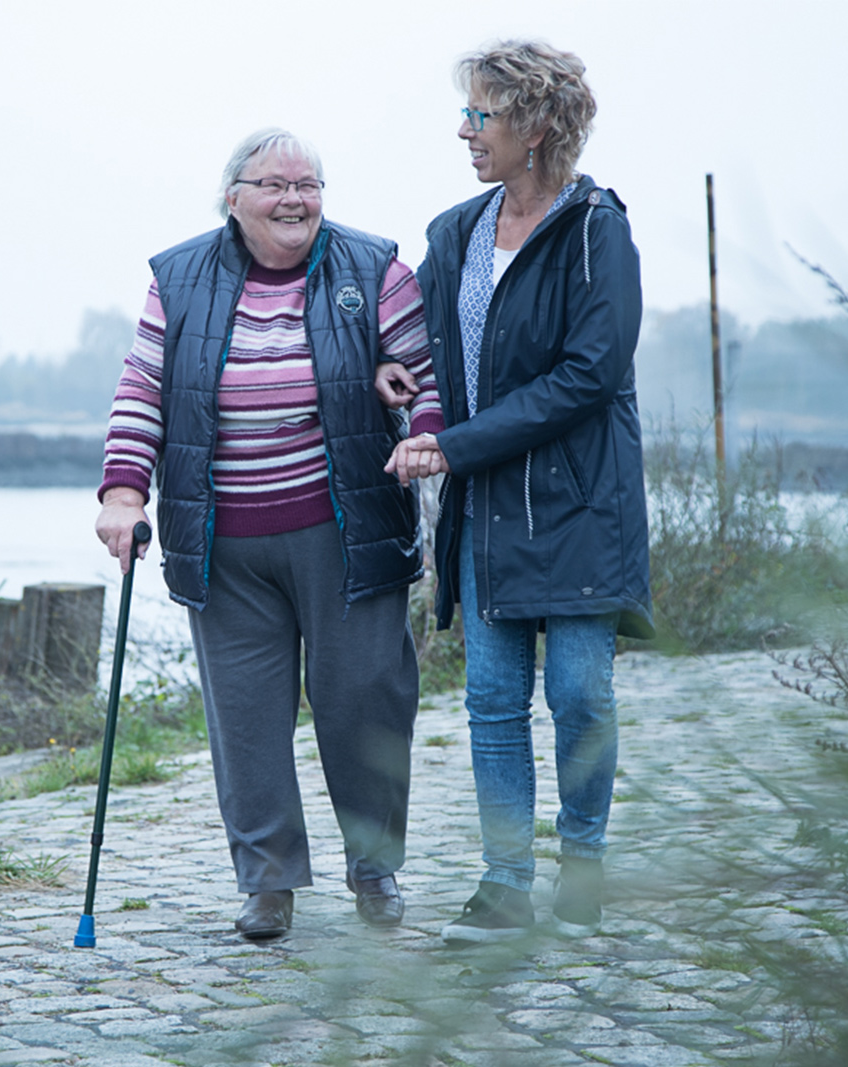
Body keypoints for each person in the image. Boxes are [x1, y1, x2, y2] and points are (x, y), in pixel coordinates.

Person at [96, 128, 443, 940]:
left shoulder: (372, 268)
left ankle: (373, 865)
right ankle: (267, 881)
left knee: (364, 702)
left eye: (310, 184)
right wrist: (122, 493)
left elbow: (424, 374)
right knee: (246, 718)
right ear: (234, 197)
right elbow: (143, 389)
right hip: (224, 541)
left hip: (346, 531)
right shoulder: (179, 279)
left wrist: (420, 430)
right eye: (276, 185)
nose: (296, 199)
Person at [382, 40, 653, 942]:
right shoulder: (454, 232)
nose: (465, 132)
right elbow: (418, 347)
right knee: (492, 702)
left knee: (579, 696)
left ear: (536, 127)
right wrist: (400, 383)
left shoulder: (595, 231)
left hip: (578, 509)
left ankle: (583, 864)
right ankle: (504, 884)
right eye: (466, 114)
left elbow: (588, 376)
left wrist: (451, 446)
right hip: (487, 510)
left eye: (481, 115)